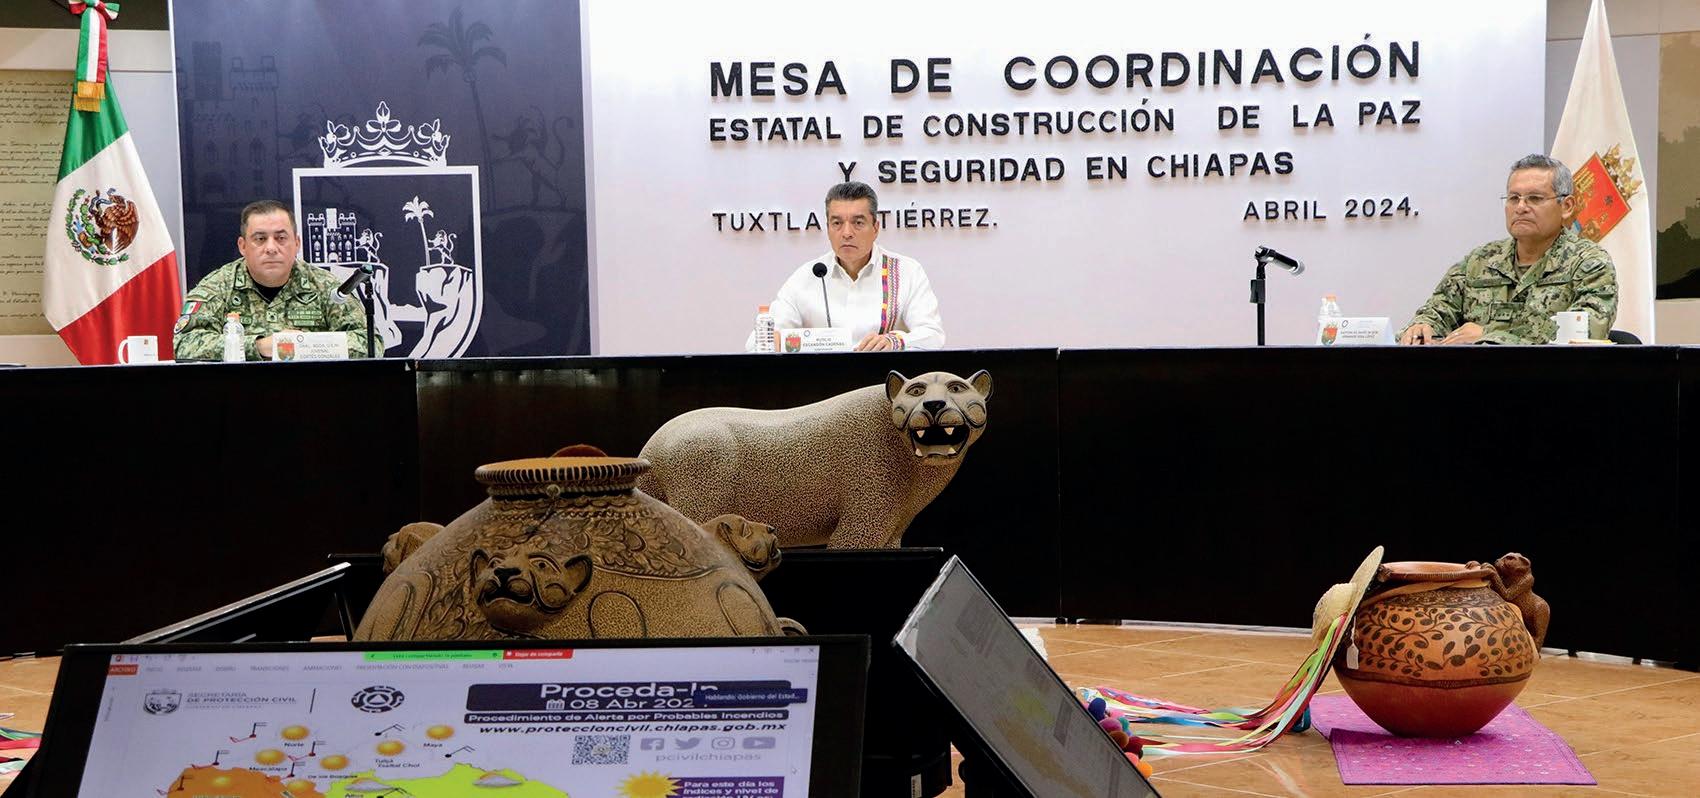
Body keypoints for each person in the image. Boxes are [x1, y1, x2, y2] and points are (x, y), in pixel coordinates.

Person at [1398, 154, 1617, 345]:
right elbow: (1437, 311)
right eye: (1513, 198)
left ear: (1566, 207)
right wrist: (1421, 326)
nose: (1521, 207)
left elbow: (1584, 333)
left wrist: (1489, 335)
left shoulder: (1589, 264)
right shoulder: (1480, 261)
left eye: (1534, 198)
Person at [751, 182, 945, 351]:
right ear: (828, 228)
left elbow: (933, 335)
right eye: (837, 223)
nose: (846, 233)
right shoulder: (807, 277)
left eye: (858, 222)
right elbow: (755, 343)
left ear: (875, 228)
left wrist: (894, 341)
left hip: (885, 379)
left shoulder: (907, 272)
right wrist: (776, 342)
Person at [174, 200, 370, 360]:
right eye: (260, 239)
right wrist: (259, 346)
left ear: (297, 243)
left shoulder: (325, 286)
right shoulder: (218, 286)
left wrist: (307, 345)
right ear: (242, 246)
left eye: (281, 238)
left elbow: (369, 343)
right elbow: (184, 344)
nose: (271, 248)